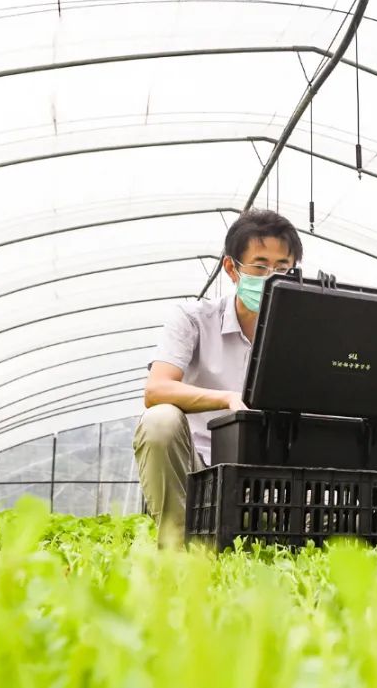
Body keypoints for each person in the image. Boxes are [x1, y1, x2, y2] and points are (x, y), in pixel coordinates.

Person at [134, 209, 303, 547]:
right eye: (260, 265)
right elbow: (156, 389)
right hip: (198, 475)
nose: (272, 276)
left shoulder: (303, 331)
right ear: (232, 268)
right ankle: (179, 544)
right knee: (160, 420)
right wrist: (226, 399)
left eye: (283, 268)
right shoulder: (193, 320)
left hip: (269, 481)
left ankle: (280, 536)